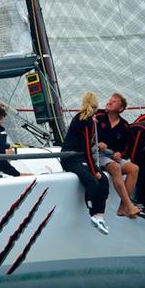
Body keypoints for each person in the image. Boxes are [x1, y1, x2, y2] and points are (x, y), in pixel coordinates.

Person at [60, 92, 110, 235]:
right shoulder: (85, 120)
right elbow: (88, 148)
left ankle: (100, 216)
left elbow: (88, 148)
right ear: (95, 106)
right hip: (70, 158)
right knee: (92, 181)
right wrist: (94, 170)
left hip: (81, 158)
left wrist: (95, 169)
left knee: (104, 180)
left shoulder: (90, 119)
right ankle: (93, 212)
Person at [96, 93, 140, 218]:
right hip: (97, 155)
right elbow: (86, 132)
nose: (109, 102)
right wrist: (97, 142)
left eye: (114, 101)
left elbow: (127, 145)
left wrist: (120, 153)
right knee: (116, 167)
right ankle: (129, 205)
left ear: (120, 109)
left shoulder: (125, 125)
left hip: (111, 157)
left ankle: (122, 208)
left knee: (134, 169)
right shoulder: (98, 116)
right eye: (109, 100)